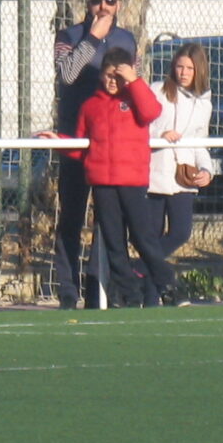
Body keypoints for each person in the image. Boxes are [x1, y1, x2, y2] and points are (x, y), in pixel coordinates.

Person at [68, 47, 174, 307]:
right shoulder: (91, 105)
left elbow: (152, 112)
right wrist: (58, 142)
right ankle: (129, 294)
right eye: (107, 76)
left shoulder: (135, 98)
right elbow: (82, 146)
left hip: (132, 180)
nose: (111, 82)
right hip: (103, 183)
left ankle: (169, 286)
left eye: (118, 77)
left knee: (142, 237)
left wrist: (134, 81)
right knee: (114, 242)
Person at [50, 0, 134, 308]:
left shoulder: (127, 39)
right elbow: (67, 74)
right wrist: (93, 37)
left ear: (118, 4)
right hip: (75, 139)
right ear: (88, 4)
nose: (104, 7)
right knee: (71, 217)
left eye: (110, 1)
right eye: (97, 1)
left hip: (111, 143)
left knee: (109, 219)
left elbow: (133, 86)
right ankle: (68, 292)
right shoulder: (69, 36)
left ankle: (101, 289)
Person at [145, 44, 212, 301]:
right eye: (180, 66)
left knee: (181, 232)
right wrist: (159, 136)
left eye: (190, 68)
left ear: (199, 70)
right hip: (155, 172)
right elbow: (143, 128)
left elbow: (200, 141)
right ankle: (150, 299)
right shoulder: (158, 91)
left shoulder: (203, 102)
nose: (183, 72)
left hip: (182, 176)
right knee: (152, 236)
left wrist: (207, 169)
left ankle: (137, 270)